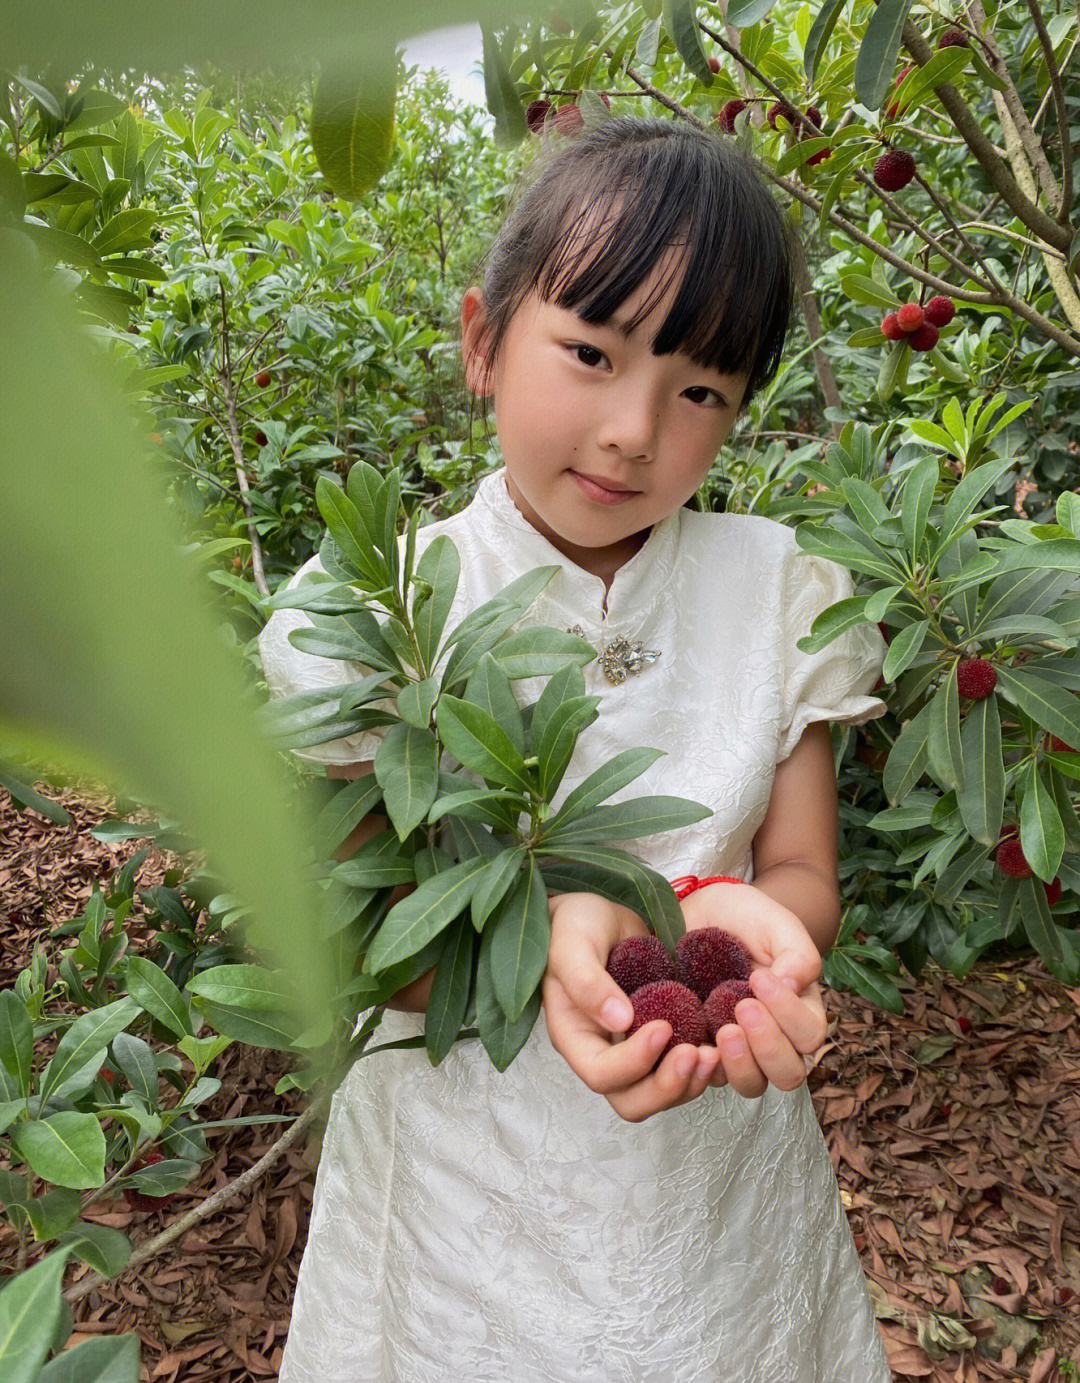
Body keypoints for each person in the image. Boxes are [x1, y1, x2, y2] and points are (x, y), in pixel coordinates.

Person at [259, 115, 891, 1382]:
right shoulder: (381, 609)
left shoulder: (781, 592)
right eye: (592, 353)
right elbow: (359, 933)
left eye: (699, 388)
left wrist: (766, 943)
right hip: (463, 1185)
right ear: (483, 342)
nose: (632, 431)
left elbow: (798, 870)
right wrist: (545, 947)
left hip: (715, 1168)